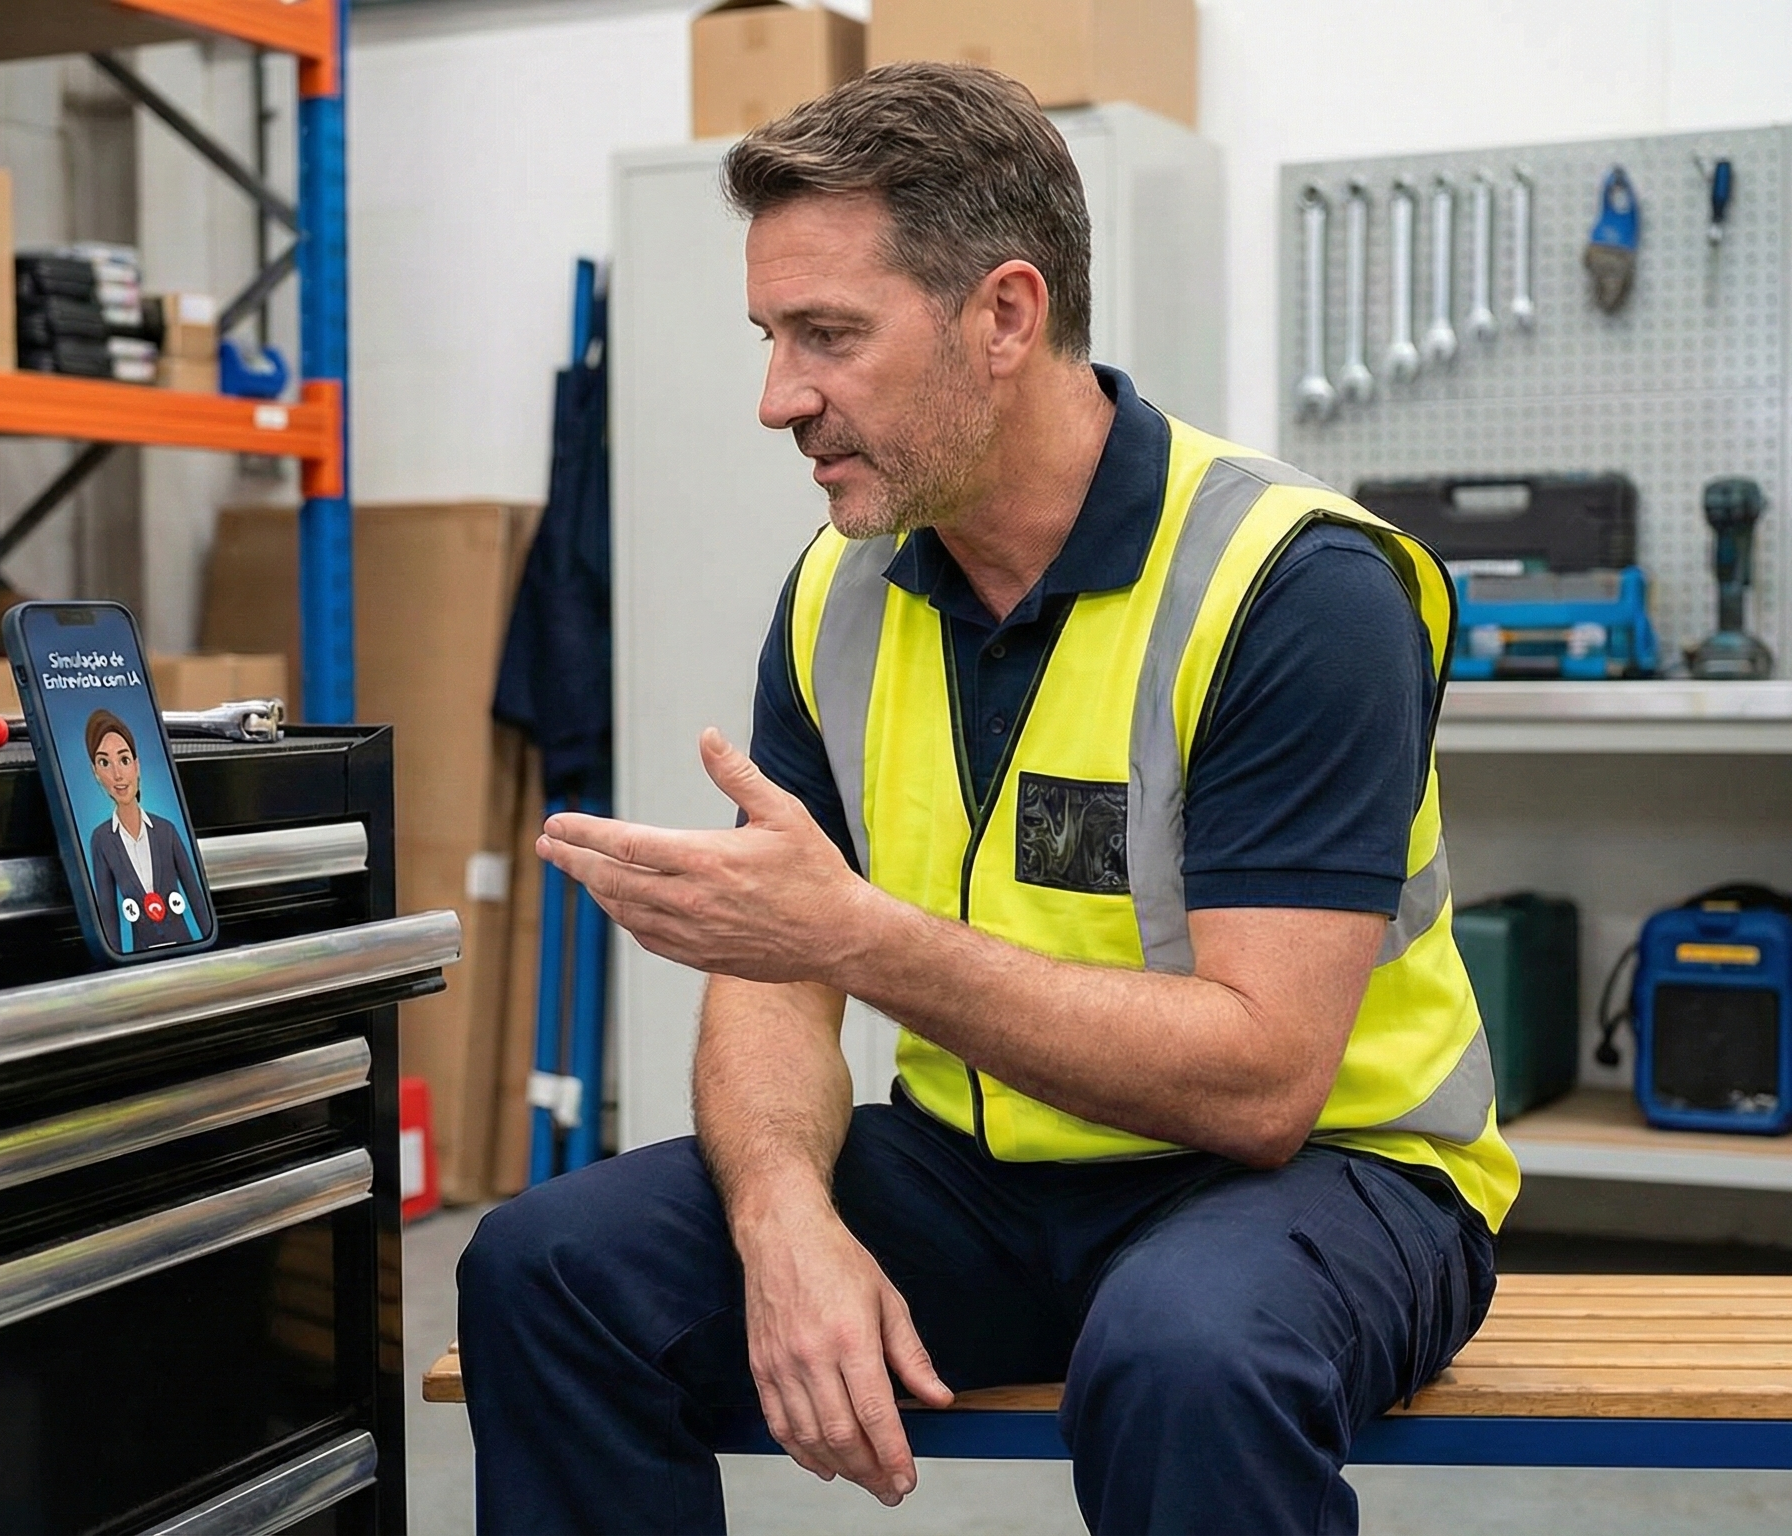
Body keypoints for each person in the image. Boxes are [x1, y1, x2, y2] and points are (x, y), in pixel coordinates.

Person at [460, 62, 1518, 1536]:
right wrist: (783, 1224)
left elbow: (1264, 1081)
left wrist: (857, 940)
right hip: (985, 1172)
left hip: (1327, 1179)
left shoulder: (1297, 592)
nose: (779, 399)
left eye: (828, 335)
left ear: (1005, 316)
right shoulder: (842, 589)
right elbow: (777, 982)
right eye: (771, 337)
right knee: (548, 1269)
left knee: (1185, 1356)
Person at [81, 707, 205, 952]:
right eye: (105, 762)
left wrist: (210, 951)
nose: (117, 774)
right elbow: (108, 915)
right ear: (96, 772)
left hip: (185, 948)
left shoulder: (166, 830)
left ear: (136, 765)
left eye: (124, 760)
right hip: (142, 957)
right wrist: (115, 968)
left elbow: (195, 896)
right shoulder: (101, 840)